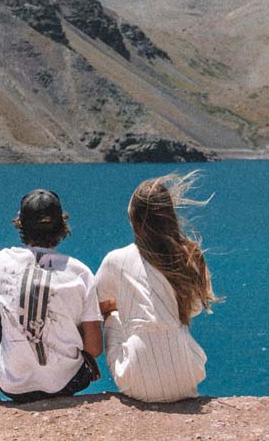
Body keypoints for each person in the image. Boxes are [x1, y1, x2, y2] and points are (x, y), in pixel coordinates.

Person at [94, 171, 219, 404]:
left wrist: (120, 307)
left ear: (133, 218)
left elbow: (94, 305)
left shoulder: (116, 259)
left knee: (113, 313)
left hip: (137, 382)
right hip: (186, 377)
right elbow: (193, 310)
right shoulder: (189, 255)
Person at [0, 189, 102, 403]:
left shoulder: (1, 261)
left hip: (13, 384)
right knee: (79, 312)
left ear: (20, 224)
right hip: (69, 383)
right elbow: (94, 349)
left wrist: (15, 306)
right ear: (62, 226)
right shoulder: (80, 272)